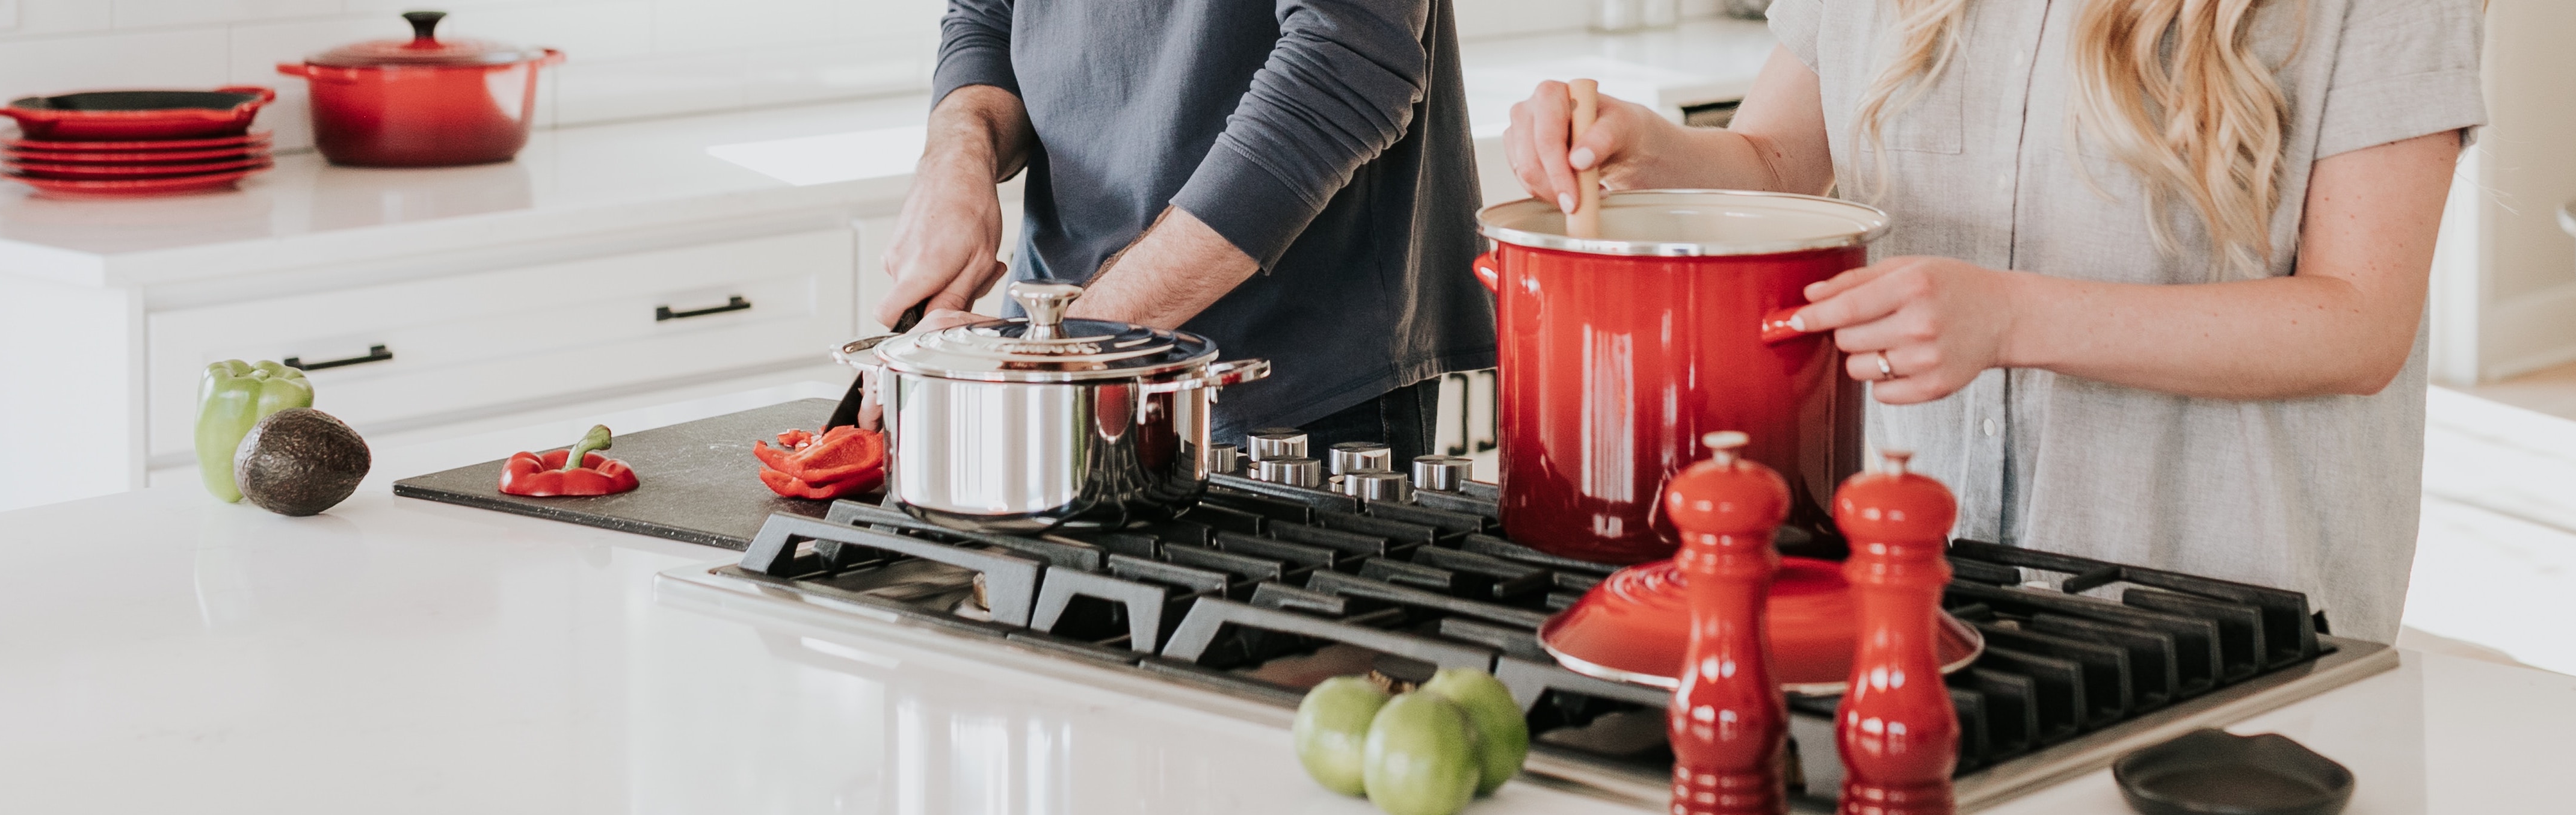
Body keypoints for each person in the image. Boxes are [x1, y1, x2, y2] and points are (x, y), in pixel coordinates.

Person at [1503, 0, 2482, 642]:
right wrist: (1647, 151)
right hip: (1916, 598)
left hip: (2216, 614)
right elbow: (1774, 164)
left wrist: (2010, 319)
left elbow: (2358, 323)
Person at [880, 0, 1494, 465]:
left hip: (1294, 389)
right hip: (1054, 361)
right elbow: (991, 16)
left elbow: (1347, 63)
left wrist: (1067, 349)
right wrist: (960, 153)